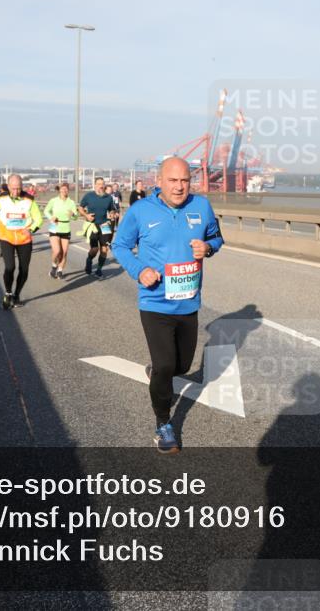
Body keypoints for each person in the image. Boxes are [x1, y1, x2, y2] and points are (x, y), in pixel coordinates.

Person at [112, 157, 224, 454]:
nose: (179, 186)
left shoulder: (201, 207)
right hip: (154, 302)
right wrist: (140, 271)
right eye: (173, 180)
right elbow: (120, 246)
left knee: (181, 366)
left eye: (185, 180)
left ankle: (158, 373)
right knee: (165, 365)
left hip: (188, 302)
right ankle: (163, 424)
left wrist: (208, 247)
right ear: (158, 181)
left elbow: (217, 237)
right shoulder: (140, 211)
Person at [0, 175, 42, 309]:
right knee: (10, 267)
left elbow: (38, 218)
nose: (16, 191)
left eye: (19, 188)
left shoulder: (29, 199)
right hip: (6, 237)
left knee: (24, 269)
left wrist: (32, 229)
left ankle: (16, 295)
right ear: (8, 186)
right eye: (13, 188)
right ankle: (8, 293)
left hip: (24, 239)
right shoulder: (1, 198)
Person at [79, 177, 117, 278]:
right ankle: (89, 260)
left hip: (104, 225)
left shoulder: (109, 198)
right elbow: (80, 207)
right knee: (94, 249)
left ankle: (99, 269)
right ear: (95, 185)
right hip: (92, 226)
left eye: (102, 184)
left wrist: (112, 214)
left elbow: (112, 209)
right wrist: (86, 215)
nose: (101, 186)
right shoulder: (89, 196)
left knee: (104, 249)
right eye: (99, 184)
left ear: (104, 185)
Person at [43, 183, 79, 279]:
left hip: (65, 227)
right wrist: (51, 217)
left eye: (66, 189)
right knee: (57, 251)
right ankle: (54, 266)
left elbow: (75, 217)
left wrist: (73, 215)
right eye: (62, 189)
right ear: (59, 190)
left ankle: (60, 270)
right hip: (55, 227)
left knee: (64, 252)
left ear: (68, 190)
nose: (64, 191)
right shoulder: (53, 200)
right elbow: (46, 211)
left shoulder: (71, 202)